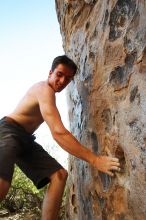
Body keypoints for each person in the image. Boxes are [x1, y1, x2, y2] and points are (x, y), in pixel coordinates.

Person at [0, 55, 120, 220]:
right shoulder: (43, 89)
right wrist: (96, 160)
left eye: (68, 78)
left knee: (59, 175)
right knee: (2, 183)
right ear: (50, 72)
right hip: (8, 131)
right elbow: (58, 133)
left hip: (25, 139)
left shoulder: (50, 95)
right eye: (59, 74)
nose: (63, 81)